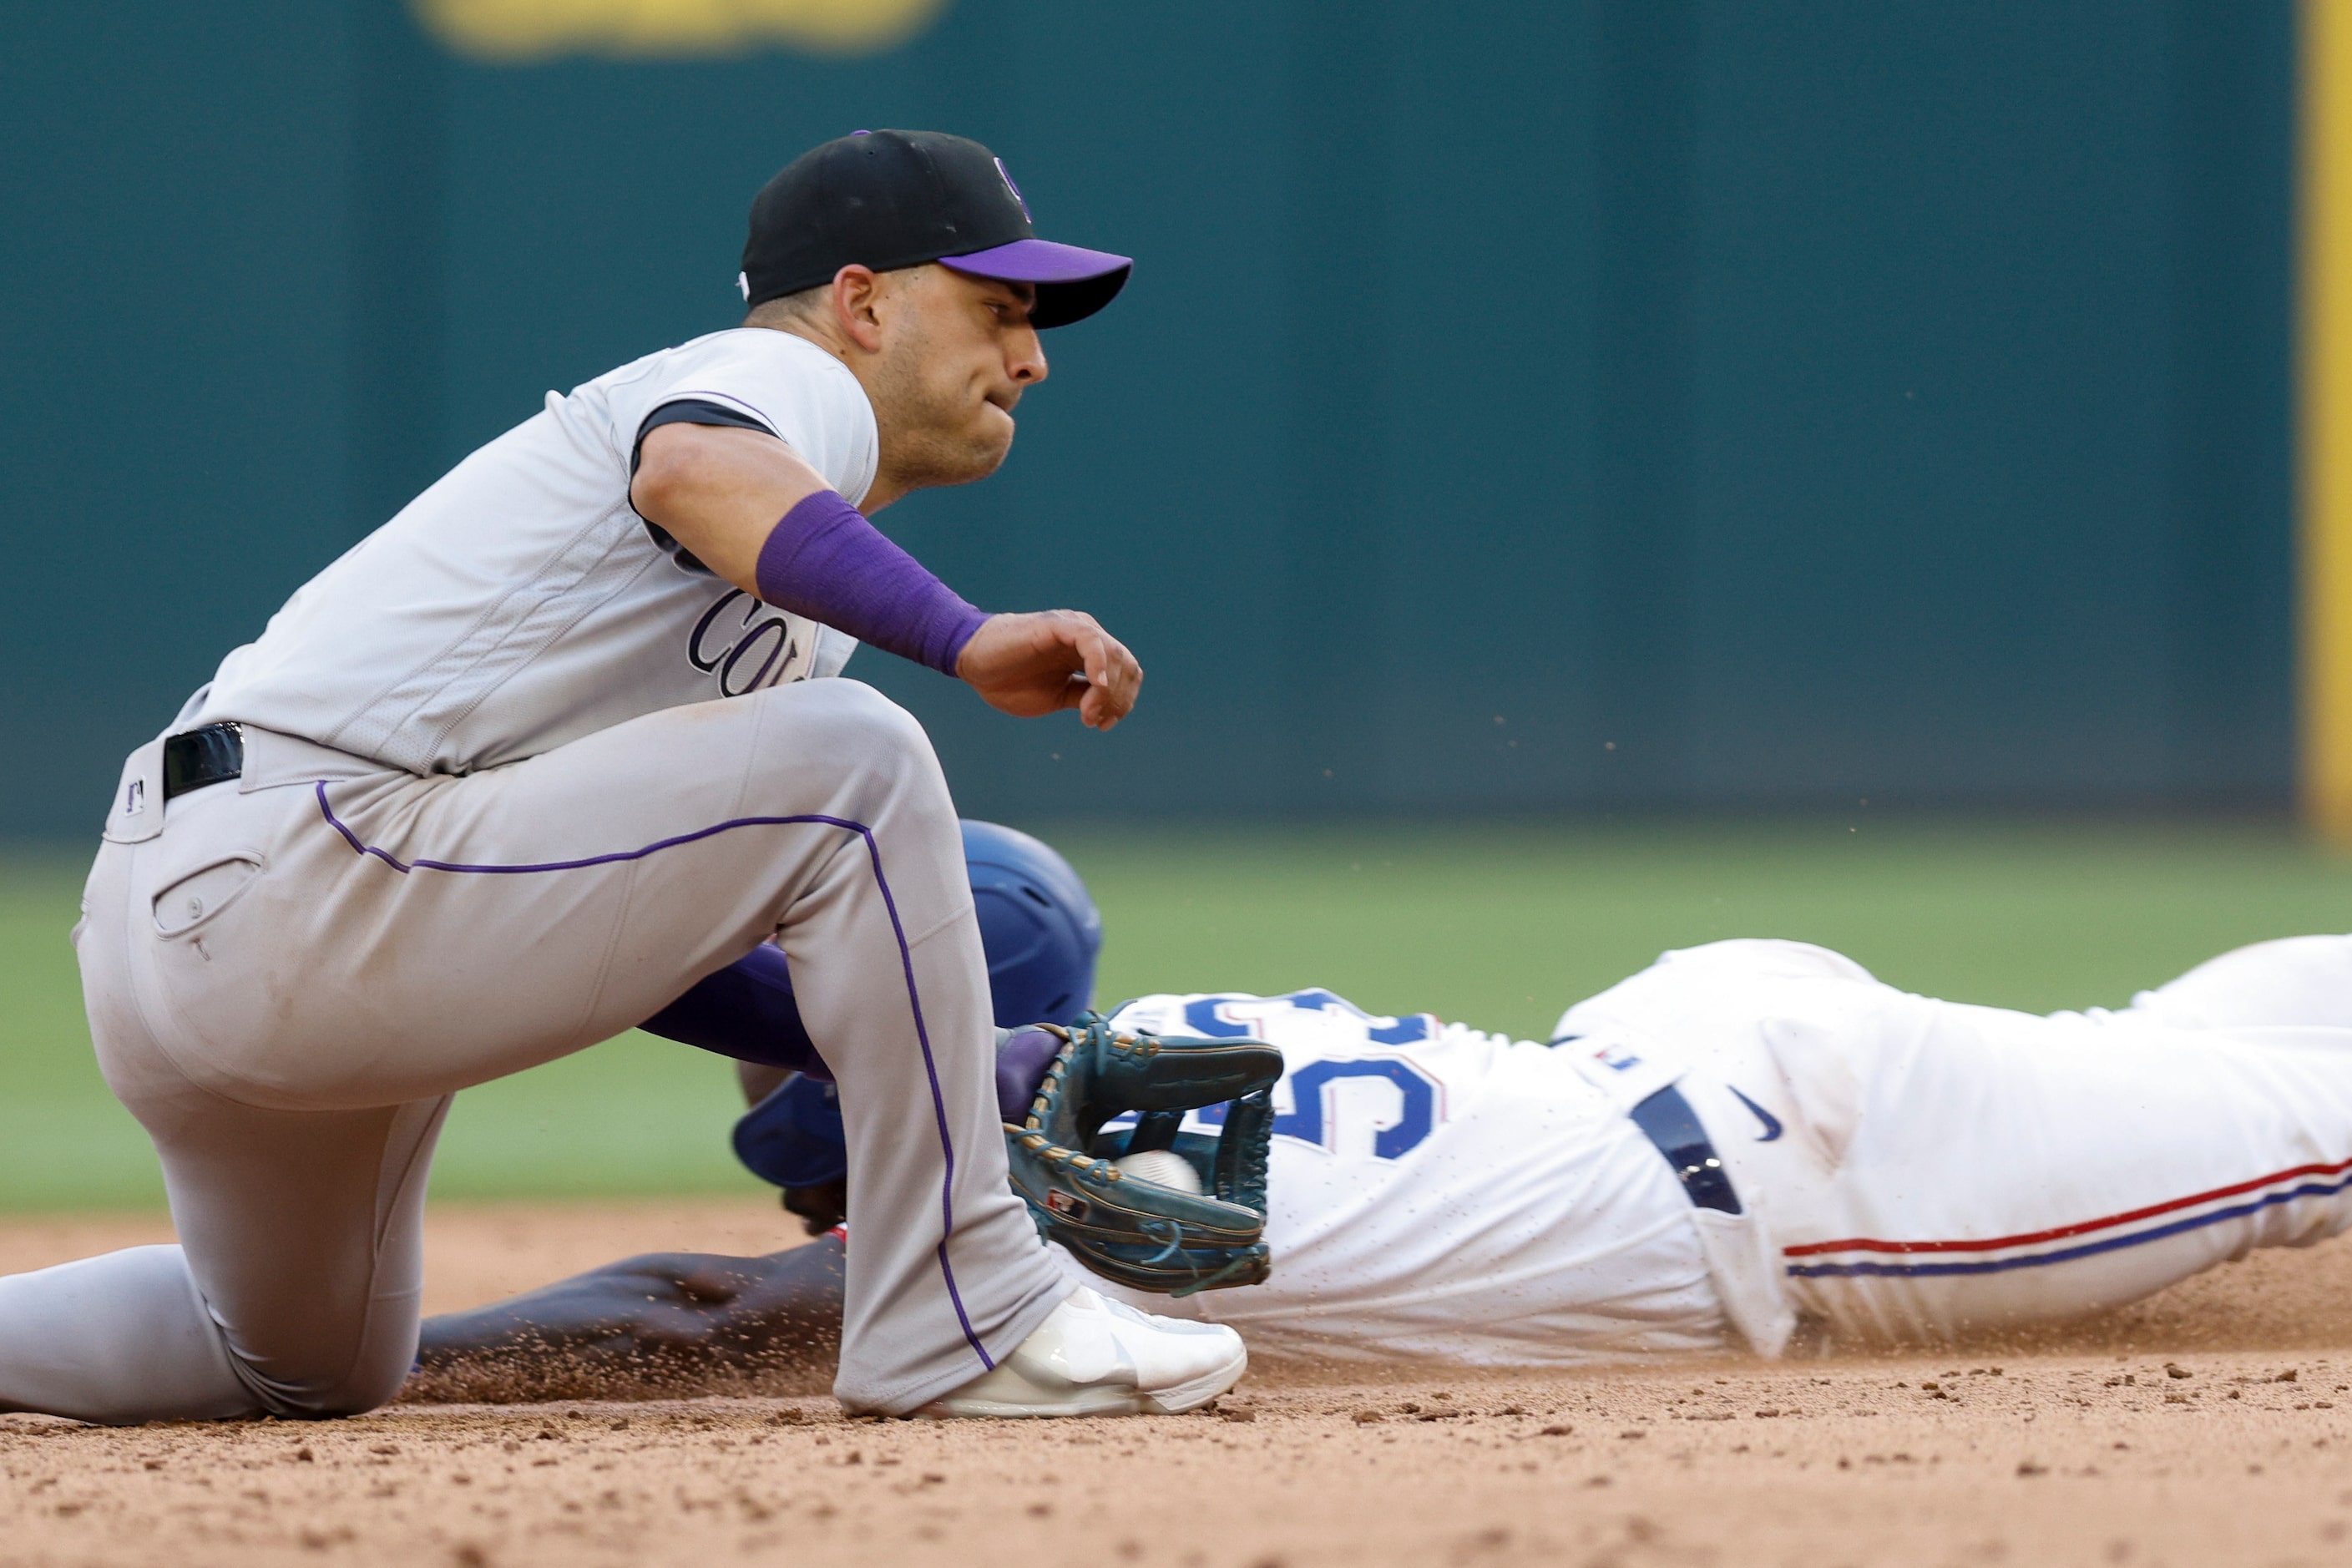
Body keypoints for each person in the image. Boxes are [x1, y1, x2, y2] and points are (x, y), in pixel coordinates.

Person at [14, 129, 1246, 1426]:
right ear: (862, 300)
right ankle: (964, 1313)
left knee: (298, 1361)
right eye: (997, 309)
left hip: (226, 913)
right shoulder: (783, 377)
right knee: (859, 754)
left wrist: (962, 1061)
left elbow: (623, 929)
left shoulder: (793, 604)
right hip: (306, 854)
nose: (1031, 356)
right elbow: (694, 464)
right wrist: (963, 635)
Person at [418, 828, 2352, 1383]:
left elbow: (692, 1310)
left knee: (2300, 1128)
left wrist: (389, 1362)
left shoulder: (1014, 1202)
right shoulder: (1108, 1064)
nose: (784, 1070)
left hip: (1824, 1182)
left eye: (792, 1037)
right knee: (2191, 1039)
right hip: (1714, 1058)